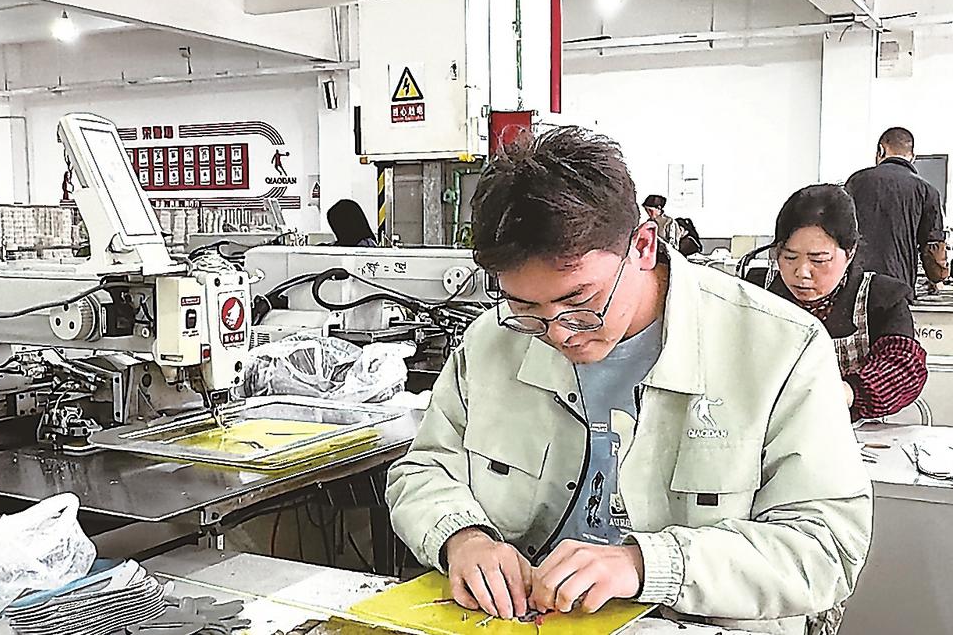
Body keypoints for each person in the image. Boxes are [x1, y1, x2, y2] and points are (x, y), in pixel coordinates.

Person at [387, 127, 871, 635]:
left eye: (579, 301)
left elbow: (826, 548)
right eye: (525, 307)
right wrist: (464, 537)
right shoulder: (493, 341)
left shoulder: (781, 348)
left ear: (642, 245)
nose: (558, 333)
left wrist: (646, 565)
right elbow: (423, 469)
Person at [766, 184, 927, 421]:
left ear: (849, 253)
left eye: (819, 260)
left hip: (854, 433)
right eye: (789, 257)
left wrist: (848, 392)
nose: (802, 272)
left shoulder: (879, 297)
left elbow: (903, 368)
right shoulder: (758, 293)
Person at [845, 127, 948, 292]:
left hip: (856, 283)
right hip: (898, 286)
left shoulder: (855, 181)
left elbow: (840, 232)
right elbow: (933, 246)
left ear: (881, 150)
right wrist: (937, 277)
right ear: (912, 157)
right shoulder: (927, 190)